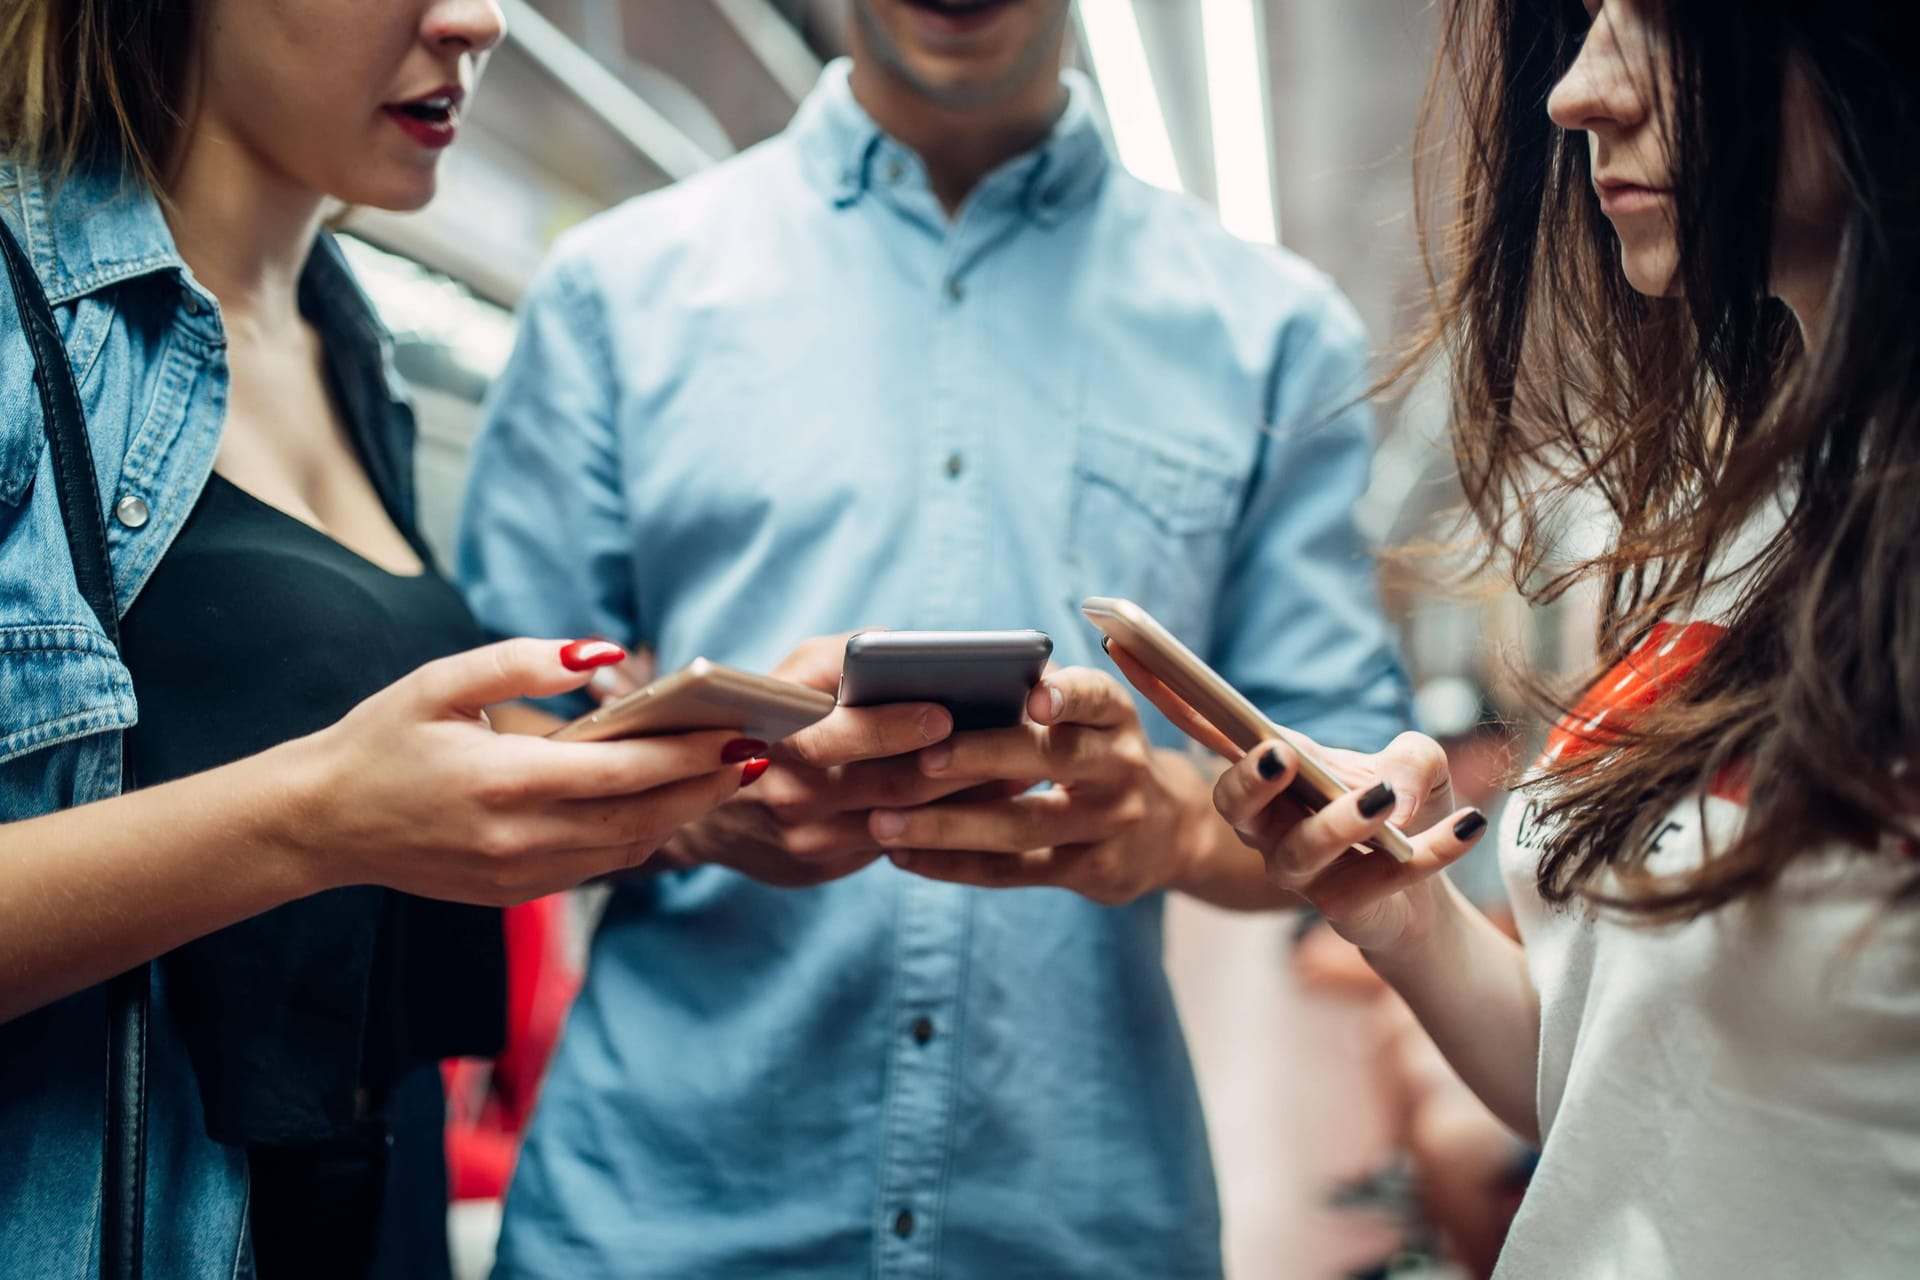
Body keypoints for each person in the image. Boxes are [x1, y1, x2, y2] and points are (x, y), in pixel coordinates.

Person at [457, 1, 1410, 1273]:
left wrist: (1170, 821)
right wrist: (688, 804)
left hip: (1071, 1223)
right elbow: (499, 730)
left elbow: (1349, 791)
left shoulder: (1273, 332)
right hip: (661, 1214)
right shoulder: (613, 294)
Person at [1157, 0, 1920, 1275]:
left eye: (1666, 19)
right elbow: (1616, 1090)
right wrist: (1402, 913)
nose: (1578, 93)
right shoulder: (1741, 518)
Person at [0, 2, 759, 1275]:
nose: (478, 18)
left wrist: (679, 781)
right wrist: (312, 819)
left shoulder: (348, 346)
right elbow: (319, 792)